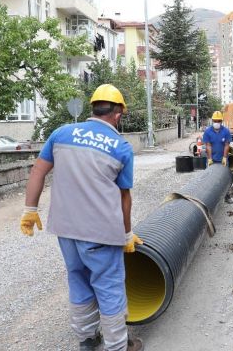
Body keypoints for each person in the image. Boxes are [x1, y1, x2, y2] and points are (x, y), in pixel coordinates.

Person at [19, 84, 144, 351]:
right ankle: (116, 346)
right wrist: (125, 234)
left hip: (65, 229)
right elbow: (125, 197)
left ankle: (87, 340)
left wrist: (30, 210)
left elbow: (37, 172)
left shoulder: (61, 133)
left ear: (93, 107)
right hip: (101, 233)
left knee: (78, 279)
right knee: (108, 286)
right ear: (118, 114)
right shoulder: (121, 147)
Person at [203, 111, 233, 203]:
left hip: (222, 159)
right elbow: (208, 146)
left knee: (224, 177)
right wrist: (209, 159)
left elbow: (226, 145)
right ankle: (210, 198)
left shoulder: (226, 131)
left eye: (218, 121)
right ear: (212, 121)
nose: (217, 122)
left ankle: (227, 196)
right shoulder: (208, 132)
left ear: (221, 121)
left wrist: (224, 157)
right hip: (212, 159)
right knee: (210, 178)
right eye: (215, 121)